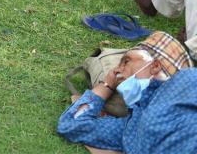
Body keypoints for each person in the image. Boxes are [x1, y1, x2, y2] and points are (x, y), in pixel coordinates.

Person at [57, 31, 196, 154]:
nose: (116, 71)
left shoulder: (187, 80)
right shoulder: (129, 125)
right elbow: (72, 125)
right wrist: (107, 84)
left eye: (126, 61)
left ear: (155, 66)